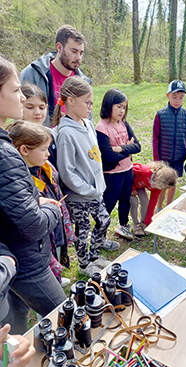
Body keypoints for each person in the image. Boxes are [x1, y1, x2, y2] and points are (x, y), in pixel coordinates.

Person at [0, 55, 66, 334]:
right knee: (65, 315)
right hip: (28, 261)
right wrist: (51, 207)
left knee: (16, 329)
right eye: (16, 90)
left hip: (13, 260)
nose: (21, 95)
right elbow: (33, 223)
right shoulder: (7, 155)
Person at [54, 76, 119, 276]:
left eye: (92, 102)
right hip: (79, 196)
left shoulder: (87, 124)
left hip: (95, 191)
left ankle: (95, 255)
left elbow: (94, 155)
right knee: (82, 231)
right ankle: (84, 266)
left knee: (104, 221)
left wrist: (97, 186)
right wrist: (88, 189)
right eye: (87, 102)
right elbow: (67, 172)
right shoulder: (65, 133)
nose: (91, 107)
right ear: (71, 101)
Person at [8, 120, 75, 287]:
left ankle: (57, 280)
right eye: (43, 149)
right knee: (46, 274)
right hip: (39, 240)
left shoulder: (43, 166)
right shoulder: (19, 181)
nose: (48, 154)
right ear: (24, 150)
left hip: (54, 226)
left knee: (57, 254)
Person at [19, 25, 90, 127]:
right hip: (40, 140)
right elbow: (19, 113)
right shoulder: (33, 73)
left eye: (81, 53)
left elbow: (88, 118)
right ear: (59, 47)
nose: (78, 57)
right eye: (74, 51)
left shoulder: (83, 82)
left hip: (73, 139)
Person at [96, 89, 141, 240]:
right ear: (109, 105)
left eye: (124, 107)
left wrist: (119, 148)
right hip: (112, 174)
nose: (122, 110)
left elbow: (138, 146)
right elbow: (108, 156)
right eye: (118, 106)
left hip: (127, 170)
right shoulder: (101, 128)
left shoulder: (124, 124)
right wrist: (128, 150)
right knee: (108, 203)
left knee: (125, 200)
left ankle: (124, 226)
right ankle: (100, 233)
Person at [153, 80, 186, 211]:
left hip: (178, 158)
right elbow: (155, 138)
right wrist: (157, 159)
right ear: (167, 95)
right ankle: (159, 208)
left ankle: (168, 208)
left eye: (181, 97)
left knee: (172, 183)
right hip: (164, 158)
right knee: (162, 184)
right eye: (174, 97)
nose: (177, 100)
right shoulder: (160, 114)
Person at [130, 162, 178, 236]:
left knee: (145, 201)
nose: (162, 190)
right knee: (134, 202)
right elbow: (128, 172)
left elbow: (153, 203)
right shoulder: (143, 171)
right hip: (129, 184)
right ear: (157, 179)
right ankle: (135, 224)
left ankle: (143, 222)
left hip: (140, 185)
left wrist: (148, 221)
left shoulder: (158, 186)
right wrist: (132, 188)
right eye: (162, 188)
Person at [21, 82, 58, 166]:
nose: (37, 112)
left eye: (42, 108)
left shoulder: (52, 135)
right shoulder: (16, 137)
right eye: (30, 107)